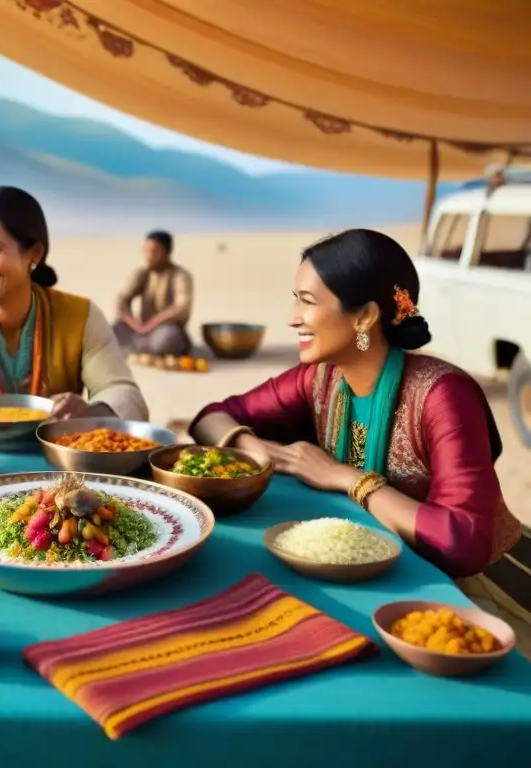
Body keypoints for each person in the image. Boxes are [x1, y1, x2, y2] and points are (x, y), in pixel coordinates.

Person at [186, 228, 529, 652]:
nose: (293, 317)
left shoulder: (442, 396)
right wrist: (254, 448)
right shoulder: (321, 379)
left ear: (365, 316)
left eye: (307, 302)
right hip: (395, 574)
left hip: (486, 592)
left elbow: (463, 542)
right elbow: (211, 419)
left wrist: (346, 479)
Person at [0, 186, 149, 422]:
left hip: (60, 458)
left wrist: (93, 412)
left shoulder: (80, 316)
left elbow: (125, 395)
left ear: (34, 254)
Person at [113, 230, 194, 356]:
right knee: (110, 331)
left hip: (167, 329)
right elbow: (122, 299)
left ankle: (139, 347)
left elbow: (182, 306)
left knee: (166, 339)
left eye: (154, 252)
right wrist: (133, 322)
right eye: (146, 251)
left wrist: (155, 321)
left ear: (166, 252)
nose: (149, 256)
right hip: (141, 329)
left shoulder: (179, 275)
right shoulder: (142, 273)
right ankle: (141, 346)